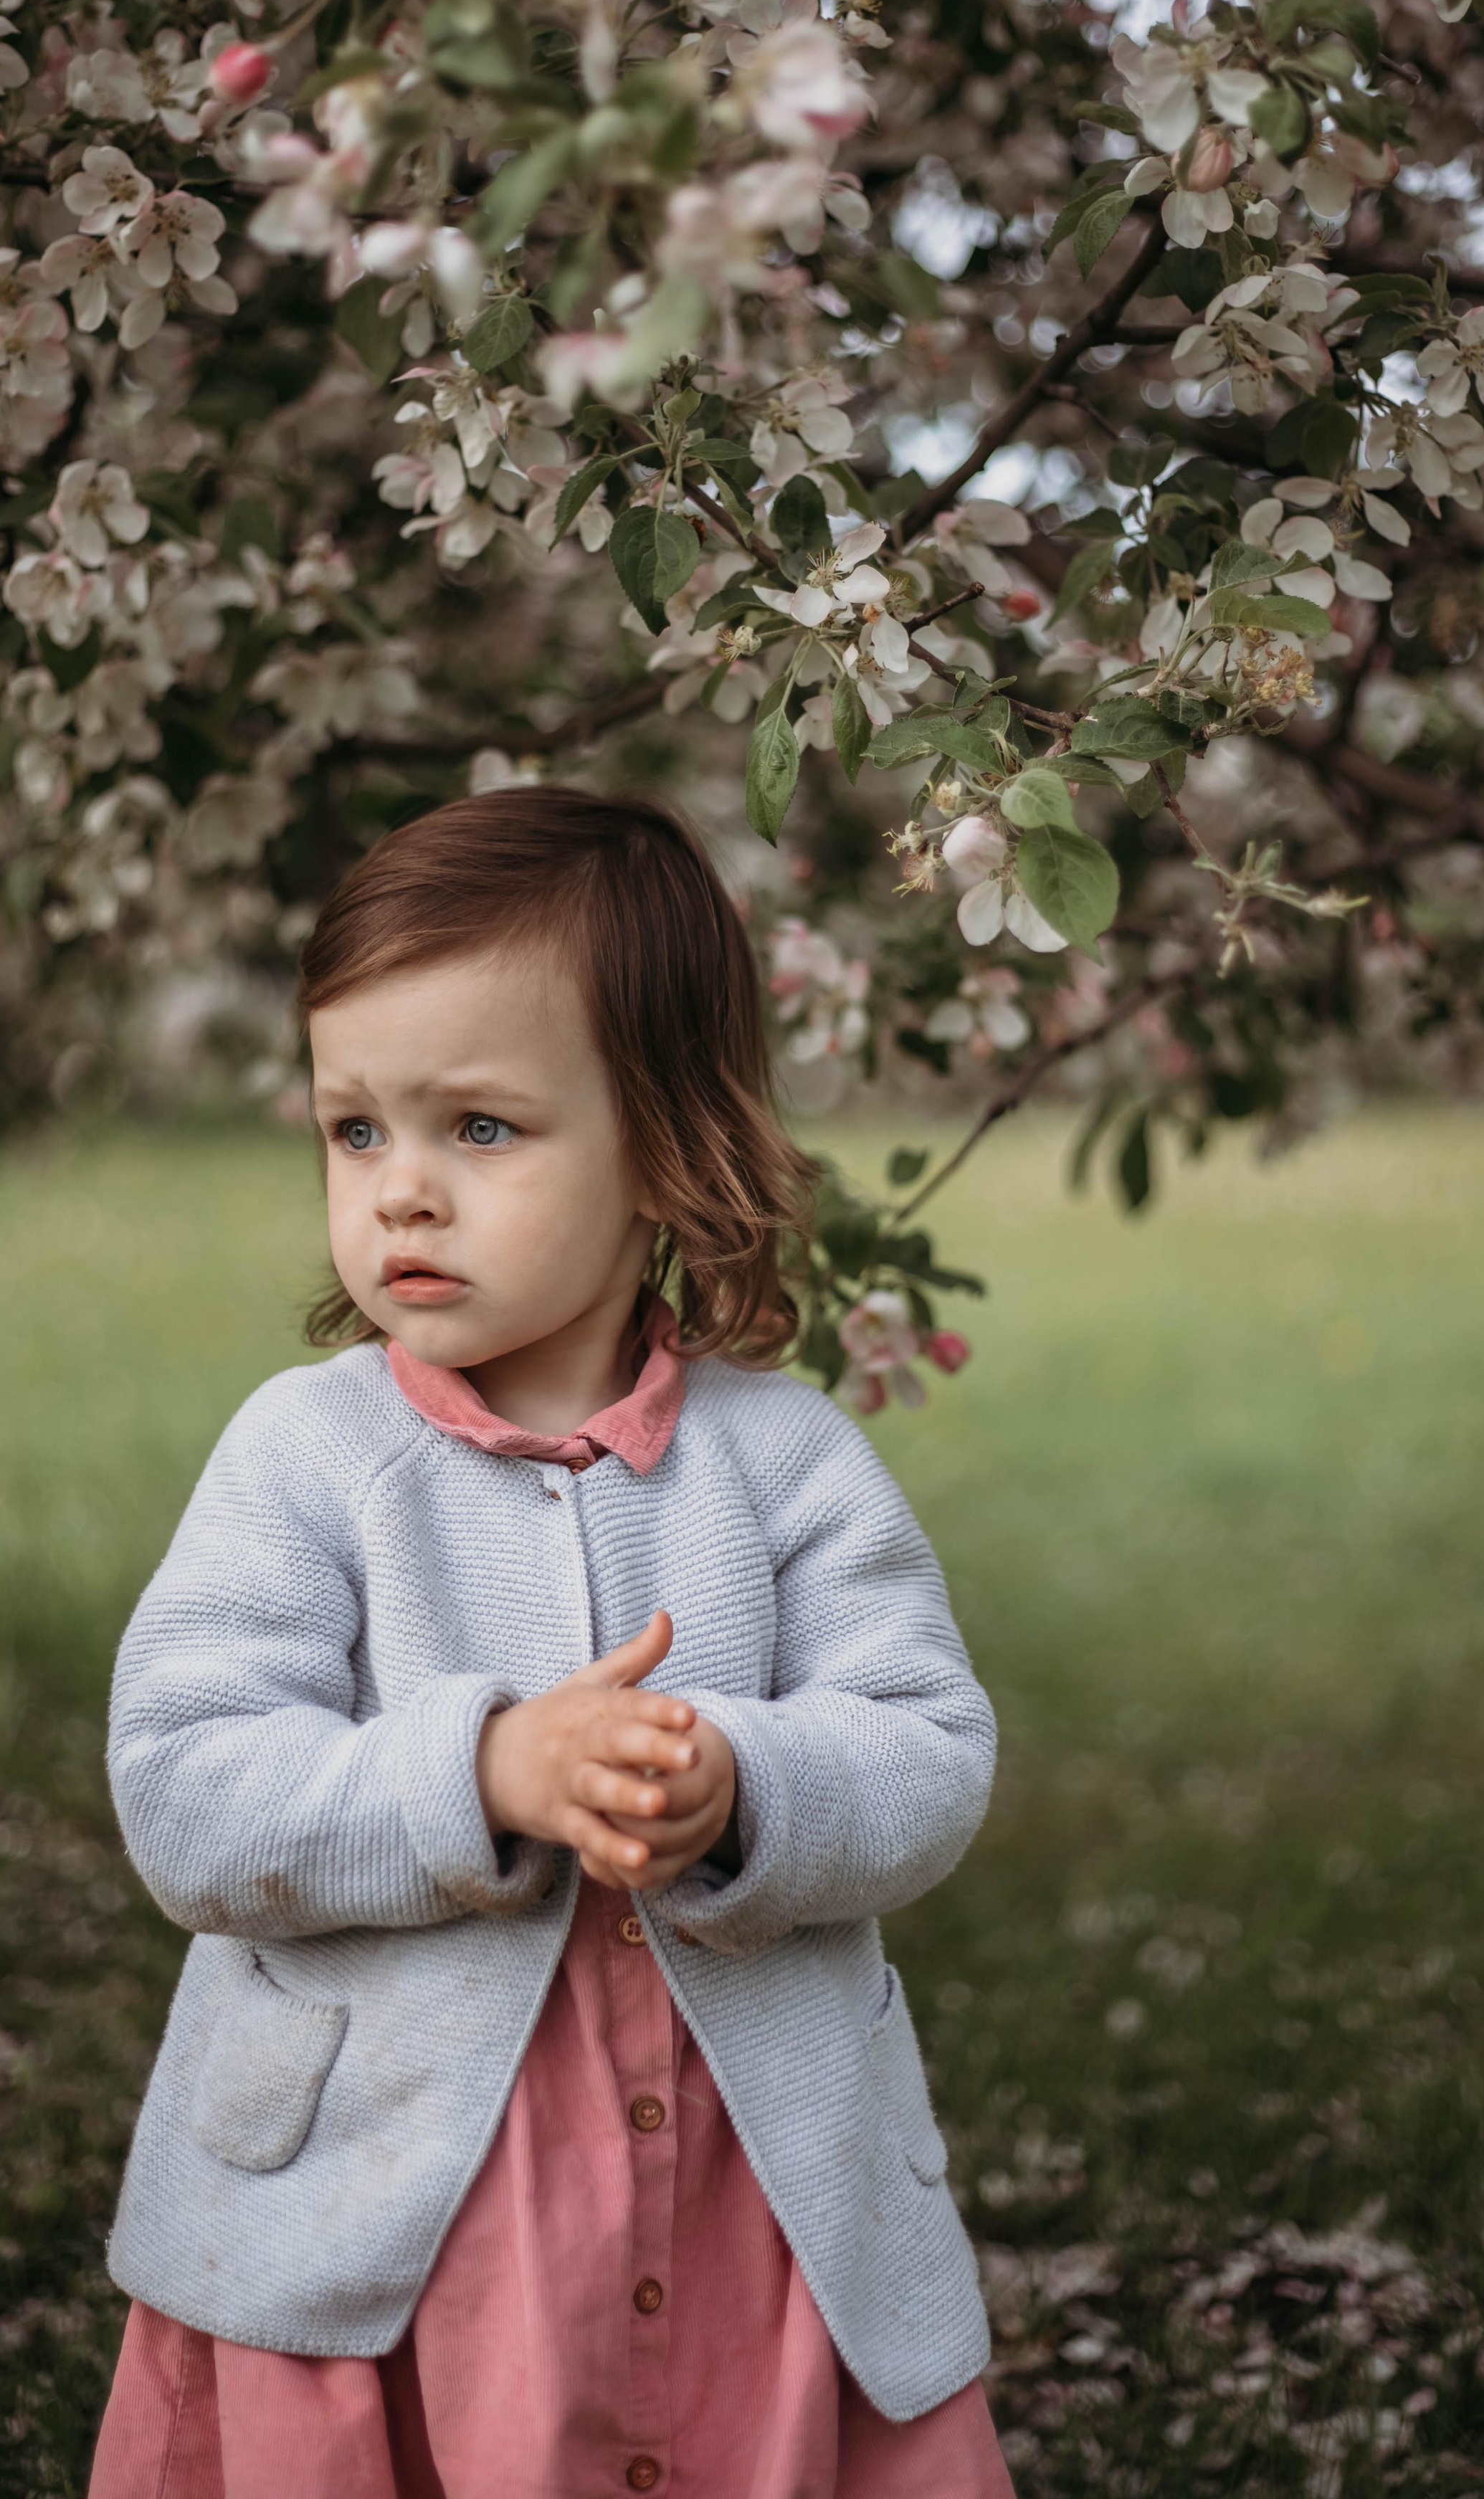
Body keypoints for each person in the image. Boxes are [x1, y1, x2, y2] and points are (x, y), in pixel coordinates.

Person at [87, 786, 1010, 2498]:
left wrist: (744, 1787)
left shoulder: (785, 1463)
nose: (403, 1195)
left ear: (667, 1148)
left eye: (481, 1130)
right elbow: (186, 1788)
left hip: (747, 2221)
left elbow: (926, 1750)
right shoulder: (311, 1458)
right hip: (379, 2241)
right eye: (354, 1131)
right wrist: (484, 1767)